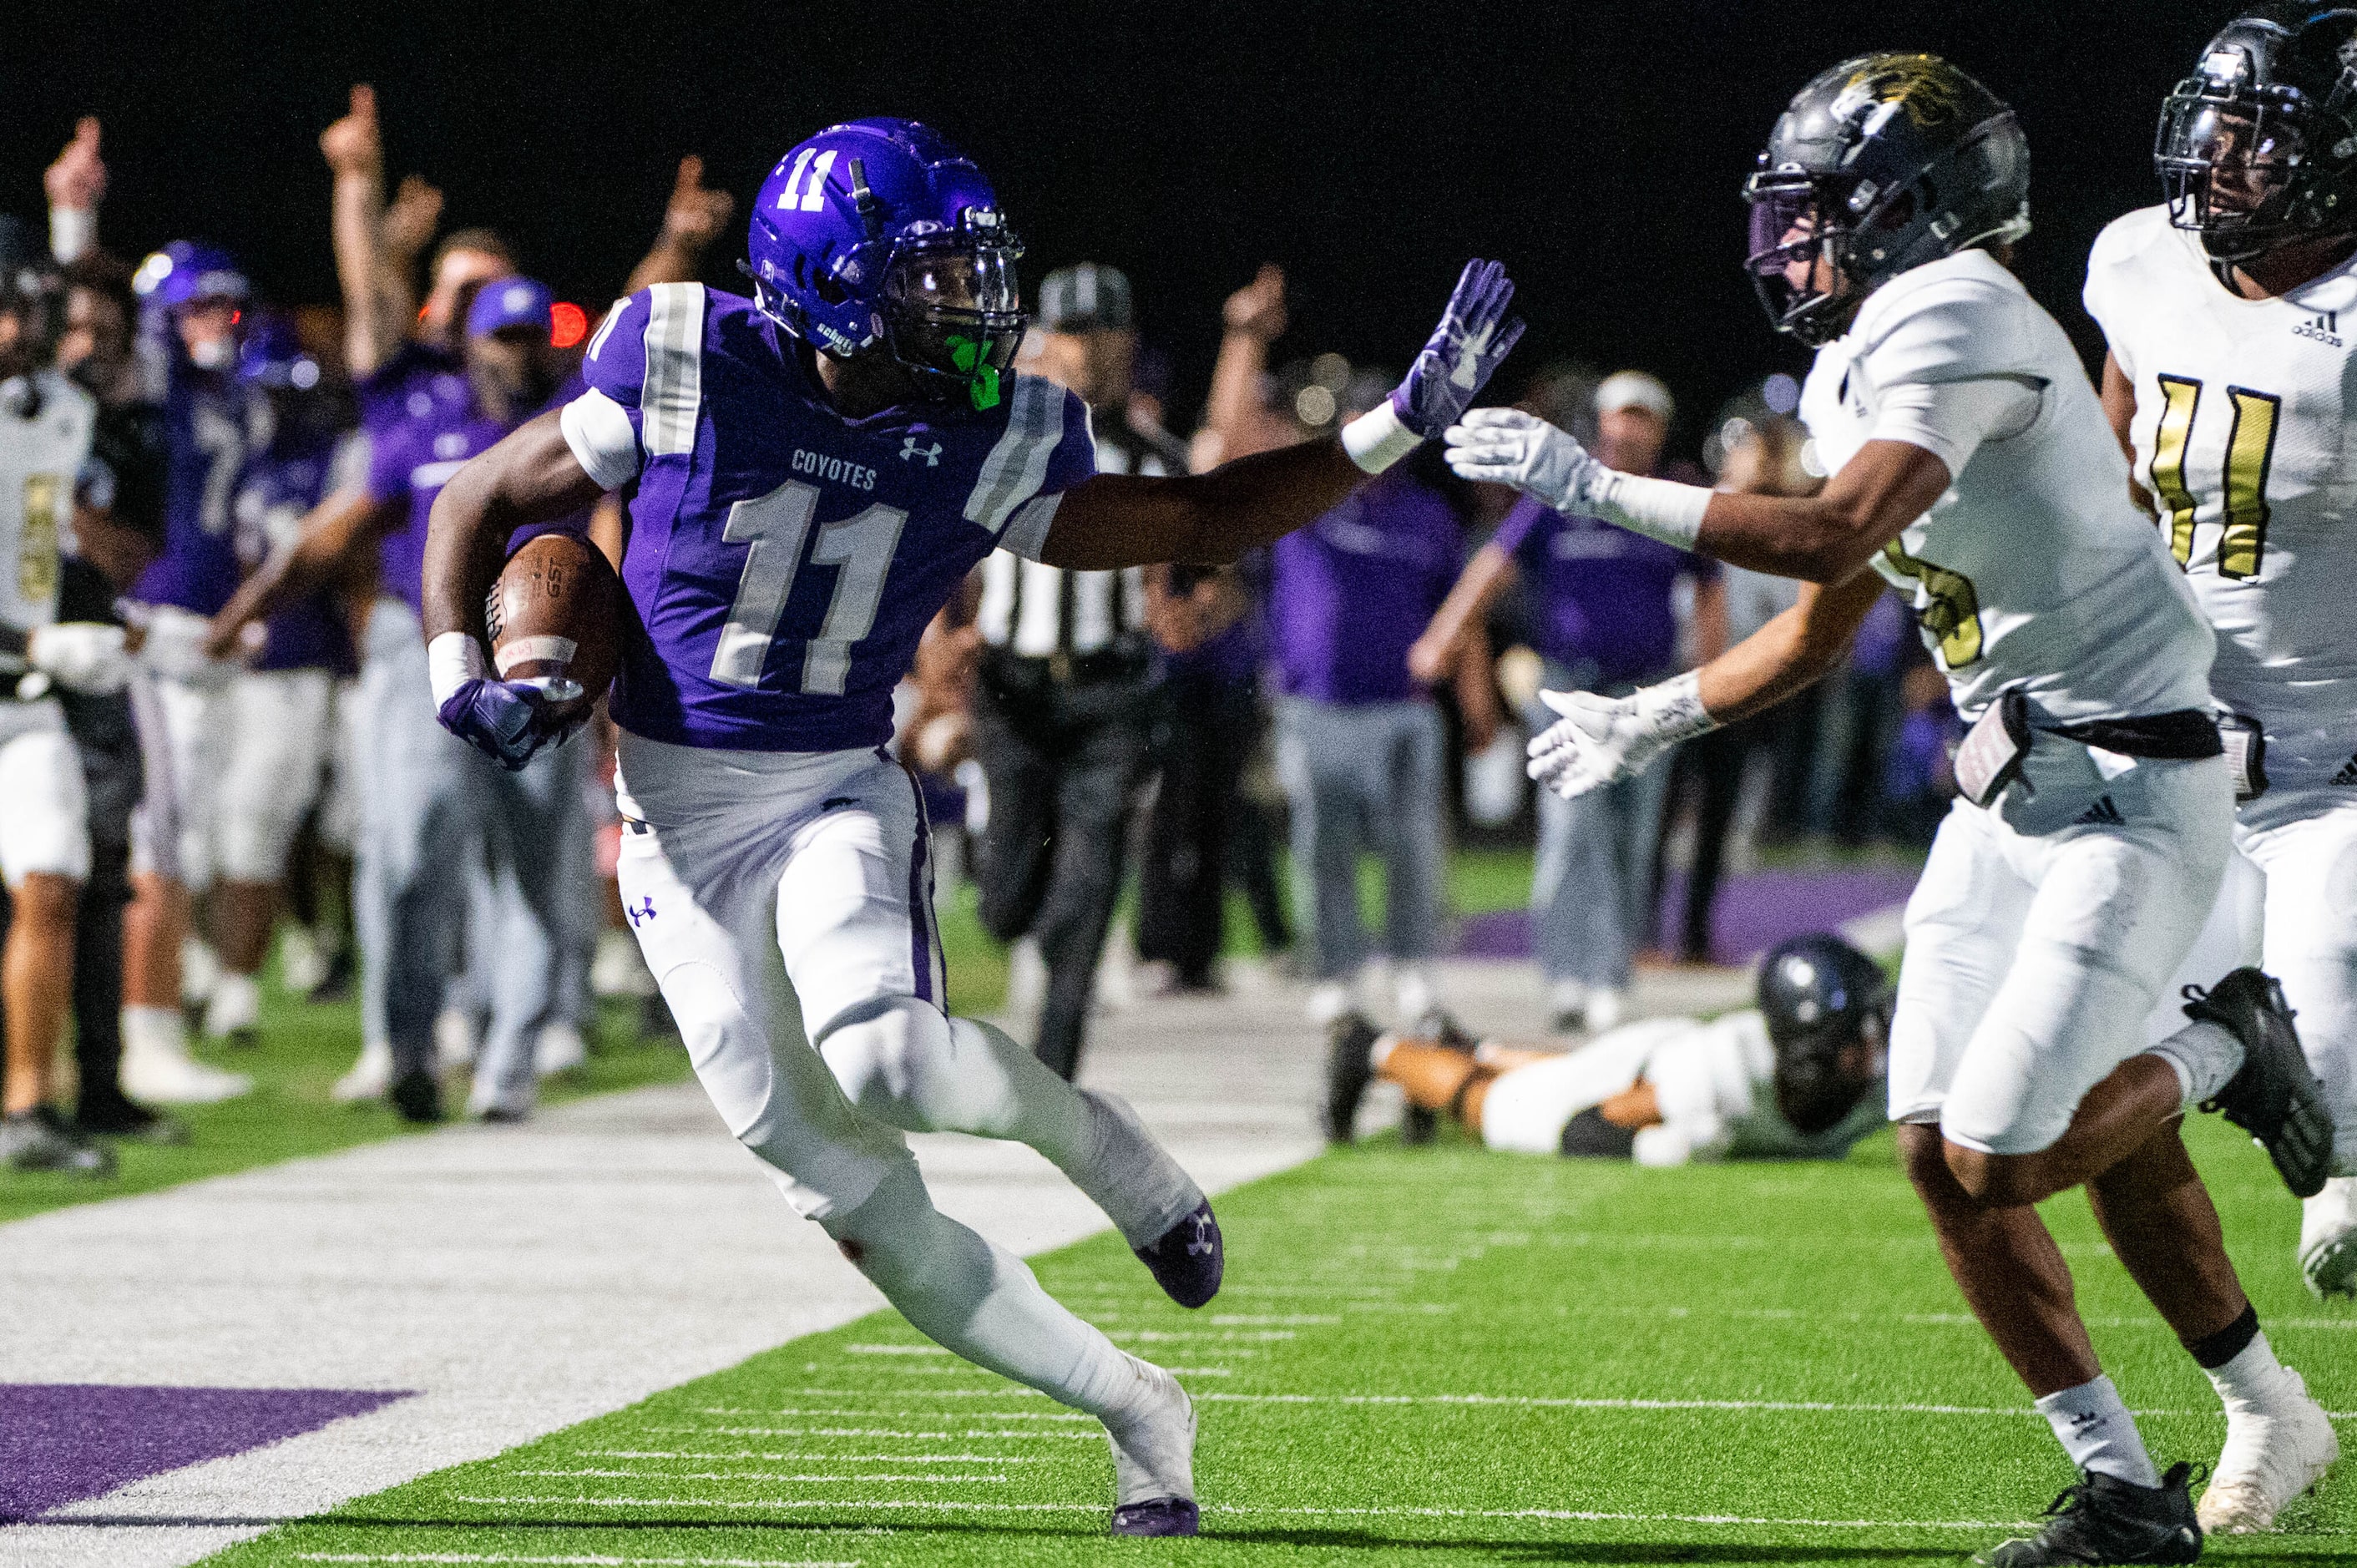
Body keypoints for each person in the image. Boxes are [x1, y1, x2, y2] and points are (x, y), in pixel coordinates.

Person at [417, 117, 1520, 1535]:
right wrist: (466, 677)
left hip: (827, 790)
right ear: (826, 283)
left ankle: (1112, 1152)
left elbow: (1198, 515)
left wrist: (1396, 422)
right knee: (850, 1196)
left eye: (974, 274)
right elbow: (479, 500)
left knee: (882, 1050)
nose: (974, 308)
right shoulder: (687, 362)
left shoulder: (991, 429)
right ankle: (1133, 1402)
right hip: (673, 825)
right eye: (933, 279)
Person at [1446, 53, 2336, 1558]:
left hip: (2134, 777)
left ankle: (2220, 1048)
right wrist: (1655, 714)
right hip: (2005, 791)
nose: (1788, 246)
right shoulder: (1875, 343)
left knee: (2005, 1144)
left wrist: (1588, 488)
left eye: (1820, 214)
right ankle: (2123, 1484)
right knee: (1930, 1149)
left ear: (1915, 212)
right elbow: (1827, 612)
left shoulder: (1965, 317)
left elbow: (1825, 530)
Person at [2084, 3, 2357, 1318]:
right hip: (2173, 741)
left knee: (2339, 1139)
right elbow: (2108, 453)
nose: (2218, 154)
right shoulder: (2139, 261)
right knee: (2085, 1074)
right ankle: (2250, 1398)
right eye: (2214, 122)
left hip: (2335, 756)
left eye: (2258, 134)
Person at [210, 279, 585, 1124]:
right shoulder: (426, 432)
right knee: (413, 858)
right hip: (445, 669)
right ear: (470, 344)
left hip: (546, 673)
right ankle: (409, 1048)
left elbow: (622, 539)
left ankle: (507, 1065)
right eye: (502, 337)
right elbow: (329, 537)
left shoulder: (578, 428)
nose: (517, 354)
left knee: (534, 880)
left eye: (531, 337)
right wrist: (241, 615)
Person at [1417, 371, 1725, 1034]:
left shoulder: (1672, 496)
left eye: (1642, 418)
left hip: (1648, 695)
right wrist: (1444, 634)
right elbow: (1492, 567)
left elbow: (1708, 582)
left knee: (1629, 840)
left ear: (1659, 430)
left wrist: (1711, 669)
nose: (1627, 429)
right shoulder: (1563, 490)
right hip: (1569, 687)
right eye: (1619, 416)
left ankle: (1610, 975)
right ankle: (1565, 976)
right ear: (1602, 422)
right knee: (1567, 836)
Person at [969, 260, 1189, 1077]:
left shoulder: (1157, 457)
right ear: (1045, 341)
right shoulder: (994, 440)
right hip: (1011, 686)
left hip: (1111, 689)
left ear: (1128, 345)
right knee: (1005, 901)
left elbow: (1214, 576)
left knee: (1090, 884)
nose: (1089, 354)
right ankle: (1026, 921)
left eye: (1104, 336)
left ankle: (1055, 1074)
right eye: (1074, 335)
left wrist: (1192, 611)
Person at [0, 223, 143, 1174]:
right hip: (28, 658)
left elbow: (98, 543)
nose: (16, 326)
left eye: (27, 307)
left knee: (53, 870)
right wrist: (37, 638)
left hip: (25, 697)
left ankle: (27, 1109)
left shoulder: (59, 411)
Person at [1324, 933, 1888, 1164]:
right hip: (1647, 1073)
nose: (1875, 1049)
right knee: (1497, 1108)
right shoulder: (1717, 1081)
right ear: (1809, 1047)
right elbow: (1586, 1128)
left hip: (1656, 1058)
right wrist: (1657, 1147)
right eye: (1856, 1036)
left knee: (1566, 1072)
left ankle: (1457, 1045)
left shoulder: (1875, 1087)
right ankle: (1371, 1048)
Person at [202, 316, 362, 1050]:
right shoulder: (231, 460)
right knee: (224, 827)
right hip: (240, 667)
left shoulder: (333, 458)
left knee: (306, 826)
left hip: (315, 663)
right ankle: (220, 980)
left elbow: (338, 562)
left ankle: (258, 980)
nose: (281, 408)